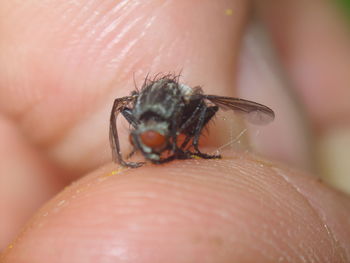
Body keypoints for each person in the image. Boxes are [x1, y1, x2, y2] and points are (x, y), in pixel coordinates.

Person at [1, 1, 350, 261]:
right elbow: (117, 108)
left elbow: (207, 107)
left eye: (148, 141)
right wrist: (121, 153)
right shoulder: (134, 108)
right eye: (143, 140)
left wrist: (191, 145)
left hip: (183, 104)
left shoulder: (176, 111)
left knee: (206, 106)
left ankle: (192, 147)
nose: (150, 146)